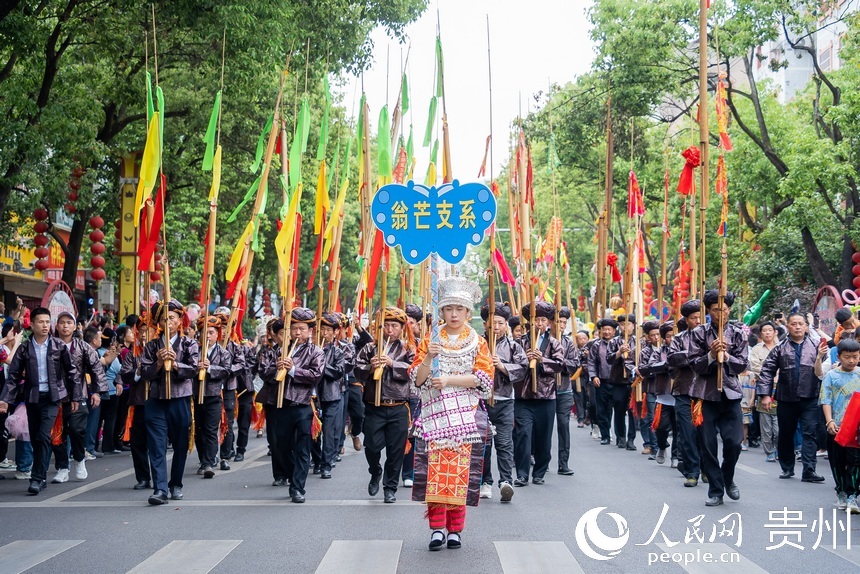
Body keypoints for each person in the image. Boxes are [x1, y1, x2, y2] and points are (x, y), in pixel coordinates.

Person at [409, 276, 493, 551]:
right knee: (436, 472)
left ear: (468, 312)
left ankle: (455, 529)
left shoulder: (478, 342)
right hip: (434, 415)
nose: (454, 314)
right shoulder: (430, 341)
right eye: (448, 309)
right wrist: (429, 358)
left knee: (459, 473)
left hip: (465, 416)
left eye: (459, 309)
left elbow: (484, 380)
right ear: (441, 311)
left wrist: (449, 381)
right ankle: (436, 529)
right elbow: (418, 380)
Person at [0, 307, 77, 495]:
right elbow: (14, 376)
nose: (45, 325)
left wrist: (75, 396)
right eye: (40, 322)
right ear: (32, 324)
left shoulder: (59, 346)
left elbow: (72, 372)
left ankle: (36, 478)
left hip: (52, 399)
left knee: (43, 435)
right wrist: (5, 400)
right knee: (36, 438)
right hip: (32, 398)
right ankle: (40, 477)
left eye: (47, 321)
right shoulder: (24, 348)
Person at [256, 308, 324, 503]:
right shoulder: (276, 350)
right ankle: (290, 473)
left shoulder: (315, 351)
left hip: (302, 405)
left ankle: (298, 487)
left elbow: (315, 376)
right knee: (281, 446)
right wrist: (276, 367)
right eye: (293, 328)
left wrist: (293, 369)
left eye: (302, 329)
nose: (297, 333)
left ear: (309, 330)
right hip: (279, 405)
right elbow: (263, 372)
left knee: (303, 447)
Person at [689, 290, 749, 506]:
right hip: (704, 395)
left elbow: (742, 364)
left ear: (729, 309)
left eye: (723, 309)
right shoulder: (698, 333)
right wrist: (711, 355)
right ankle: (715, 490)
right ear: (708, 311)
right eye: (715, 310)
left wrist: (727, 356)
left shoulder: (738, 333)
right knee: (707, 444)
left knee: (734, 443)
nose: (720, 314)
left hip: (730, 394)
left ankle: (728, 477)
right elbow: (695, 365)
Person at [353, 307, 415, 503]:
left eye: (394, 326)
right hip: (374, 405)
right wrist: (371, 366)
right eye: (386, 325)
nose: (389, 330)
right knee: (371, 446)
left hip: (398, 406)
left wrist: (392, 364)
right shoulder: (370, 347)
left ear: (401, 328)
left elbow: (415, 371)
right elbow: (357, 369)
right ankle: (375, 471)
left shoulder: (408, 348)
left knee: (396, 451)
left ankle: (390, 488)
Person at [140, 299, 199, 505]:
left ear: (179, 321)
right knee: (156, 446)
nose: (168, 322)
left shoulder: (189, 343)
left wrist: (175, 364)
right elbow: (144, 374)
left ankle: (176, 484)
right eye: (164, 319)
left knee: (180, 444)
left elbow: (193, 370)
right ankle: (160, 489)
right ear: (159, 323)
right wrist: (158, 363)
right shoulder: (151, 346)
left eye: (172, 318)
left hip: (180, 400)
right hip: (156, 401)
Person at [756, 313, 826, 482]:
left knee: (810, 433)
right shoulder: (780, 348)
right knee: (786, 433)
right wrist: (765, 395)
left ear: (805, 326)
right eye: (793, 324)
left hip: (810, 396)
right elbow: (767, 371)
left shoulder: (817, 346)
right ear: (787, 327)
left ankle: (809, 469)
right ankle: (787, 467)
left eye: (800, 323)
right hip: (786, 398)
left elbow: (825, 370)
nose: (797, 327)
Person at [480, 301, 527, 502]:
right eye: (492, 323)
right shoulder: (477, 344)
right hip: (481, 400)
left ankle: (506, 481)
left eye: (500, 323)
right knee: (484, 443)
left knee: (505, 442)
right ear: (485, 325)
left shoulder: (514, 346)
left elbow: (523, 368)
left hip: (505, 400)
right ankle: (485, 481)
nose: (496, 327)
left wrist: (502, 365)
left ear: (506, 324)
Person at [513, 301, 564, 486]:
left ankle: (539, 472)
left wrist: (542, 360)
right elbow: (514, 363)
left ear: (548, 323)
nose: (540, 324)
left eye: (543, 320)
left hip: (546, 396)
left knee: (544, 436)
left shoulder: (554, 343)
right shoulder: (519, 342)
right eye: (537, 320)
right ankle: (522, 474)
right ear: (530, 322)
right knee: (523, 435)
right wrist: (525, 359)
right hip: (524, 396)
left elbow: (560, 365)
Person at [51, 316, 106, 484]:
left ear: (75, 326)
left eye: (69, 323)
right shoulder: (50, 345)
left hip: (79, 394)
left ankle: (80, 459)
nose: (65, 326)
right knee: (57, 433)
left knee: (76, 429)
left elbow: (96, 368)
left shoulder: (83, 346)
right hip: (55, 397)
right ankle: (62, 468)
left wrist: (96, 392)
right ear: (57, 326)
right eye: (62, 323)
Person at [819, 338, 860, 513]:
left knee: (855, 461)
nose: (851, 360)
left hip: (857, 428)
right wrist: (830, 421)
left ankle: (852, 496)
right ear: (839, 356)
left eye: (855, 356)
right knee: (837, 461)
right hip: (837, 426)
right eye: (847, 357)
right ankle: (841, 491)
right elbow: (826, 399)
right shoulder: (831, 375)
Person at [668, 300, 702, 487]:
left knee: (705, 433)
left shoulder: (712, 335)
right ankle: (691, 471)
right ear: (686, 320)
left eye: (699, 317)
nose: (697, 321)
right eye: (693, 318)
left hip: (706, 392)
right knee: (687, 432)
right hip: (683, 390)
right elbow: (672, 359)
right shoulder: (679, 339)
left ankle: (706, 467)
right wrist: (694, 354)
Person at [193, 316, 231, 478]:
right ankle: (203, 459)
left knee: (210, 430)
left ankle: (208, 462)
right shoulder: (194, 350)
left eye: (210, 332)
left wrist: (210, 368)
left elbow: (226, 371)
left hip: (214, 396)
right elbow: (185, 368)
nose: (207, 336)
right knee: (198, 430)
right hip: (196, 396)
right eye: (204, 332)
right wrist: (196, 367)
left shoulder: (223, 353)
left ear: (217, 334)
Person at [119, 318, 152, 490]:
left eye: (149, 330)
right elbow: (124, 374)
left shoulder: (161, 351)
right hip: (138, 403)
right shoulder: (133, 353)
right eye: (142, 330)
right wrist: (137, 372)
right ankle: (143, 477)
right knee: (138, 443)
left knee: (155, 443)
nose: (145, 334)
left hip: (157, 403)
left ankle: (159, 477)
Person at [213, 307, 247, 470]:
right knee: (209, 423)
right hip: (210, 388)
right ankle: (210, 456)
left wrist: (226, 371)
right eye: (221, 327)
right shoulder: (206, 346)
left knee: (227, 421)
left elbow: (241, 364)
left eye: (227, 327)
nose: (224, 331)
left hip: (228, 388)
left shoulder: (234, 346)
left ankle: (225, 455)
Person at [313, 312, 346, 479]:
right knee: (312, 431)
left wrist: (320, 363)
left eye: (327, 330)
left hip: (331, 396)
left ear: (334, 332)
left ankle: (326, 464)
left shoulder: (338, 352)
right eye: (321, 329)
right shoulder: (309, 349)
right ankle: (317, 461)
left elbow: (338, 372)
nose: (324, 333)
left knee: (327, 430)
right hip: (311, 396)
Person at [642, 321, 676, 466]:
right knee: (661, 427)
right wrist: (667, 365)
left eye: (674, 336)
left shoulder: (686, 348)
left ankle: (676, 456)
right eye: (669, 336)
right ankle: (662, 446)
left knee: (679, 429)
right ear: (664, 338)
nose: (672, 339)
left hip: (681, 395)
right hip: (663, 395)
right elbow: (651, 366)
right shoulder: (658, 352)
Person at [554, 306, 580, 475]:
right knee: (544, 427)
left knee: (564, 425)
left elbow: (574, 364)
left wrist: (559, 362)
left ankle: (563, 463)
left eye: (564, 322)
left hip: (564, 389)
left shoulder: (568, 343)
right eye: (559, 322)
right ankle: (539, 459)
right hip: (545, 392)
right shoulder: (541, 341)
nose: (562, 325)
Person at [749, 321, 780, 462]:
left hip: (780, 389)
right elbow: (755, 366)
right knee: (766, 424)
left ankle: (779, 449)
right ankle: (769, 451)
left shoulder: (782, 347)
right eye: (765, 330)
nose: (767, 333)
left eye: (770, 330)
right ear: (761, 334)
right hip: (764, 388)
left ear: (775, 332)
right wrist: (771, 373)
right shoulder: (756, 349)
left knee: (779, 425)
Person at [401, 303, 424, 487]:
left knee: (413, 433)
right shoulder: (394, 345)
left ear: (417, 324)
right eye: (404, 322)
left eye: (411, 322)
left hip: (416, 393)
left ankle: (410, 472)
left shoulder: (422, 344)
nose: (408, 326)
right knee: (399, 434)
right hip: (397, 394)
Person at [608, 314, 638, 450]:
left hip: (634, 381)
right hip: (618, 380)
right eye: (621, 324)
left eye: (628, 324)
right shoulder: (613, 342)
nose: (625, 327)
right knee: (619, 409)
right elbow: (608, 359)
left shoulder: (639, 342)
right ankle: (621, 436)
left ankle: (631, 438)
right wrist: (619, 352)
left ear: (633, 325)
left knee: (633, 410)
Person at [588, 318, 619, 445]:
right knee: (601, 408)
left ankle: (616, 434)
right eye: (604, 329)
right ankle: (605, 435)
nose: (606, 332)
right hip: (601, 381)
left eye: (609, 330)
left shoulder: (619, 343)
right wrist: (594, 376)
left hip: (617, 382)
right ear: (600, 331)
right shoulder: (596, 345)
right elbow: (591, 362)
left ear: (614, 331)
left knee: (612, 408)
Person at [638, 320, 661, 458]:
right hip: (651, 388)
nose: (656, 338)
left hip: (667, 390)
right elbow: (643, 369)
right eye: (653, 335)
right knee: (652, 417)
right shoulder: (645, 352)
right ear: (648, 337)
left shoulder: (667, 348)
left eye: (658, 334)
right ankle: (654, 447)